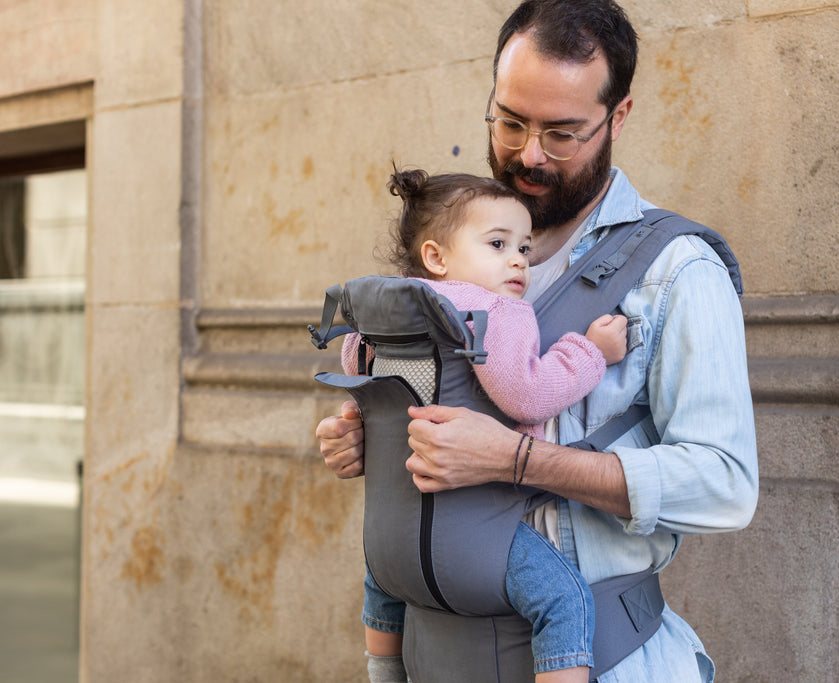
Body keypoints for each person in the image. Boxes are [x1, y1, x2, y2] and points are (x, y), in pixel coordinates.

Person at [316, 1, 758, 681]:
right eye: (511, 121)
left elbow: (726, 485)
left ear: (619, 117)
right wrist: (372, 437)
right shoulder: (460, 249)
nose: (527, 153)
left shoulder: (677, 270)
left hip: (606, 660)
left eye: (561, 133)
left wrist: (517, 459)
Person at [348, 166, 629, 683]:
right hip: (477, 533)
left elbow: (355, 366)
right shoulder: (496, 312)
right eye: (498, 244)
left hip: (391, 538)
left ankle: (383, 671)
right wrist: (592, 351)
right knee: (566, 601)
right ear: (437, 257)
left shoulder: (384, 311)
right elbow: (529, 396)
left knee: (382, 583)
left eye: (523, 247)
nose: (517, 260)